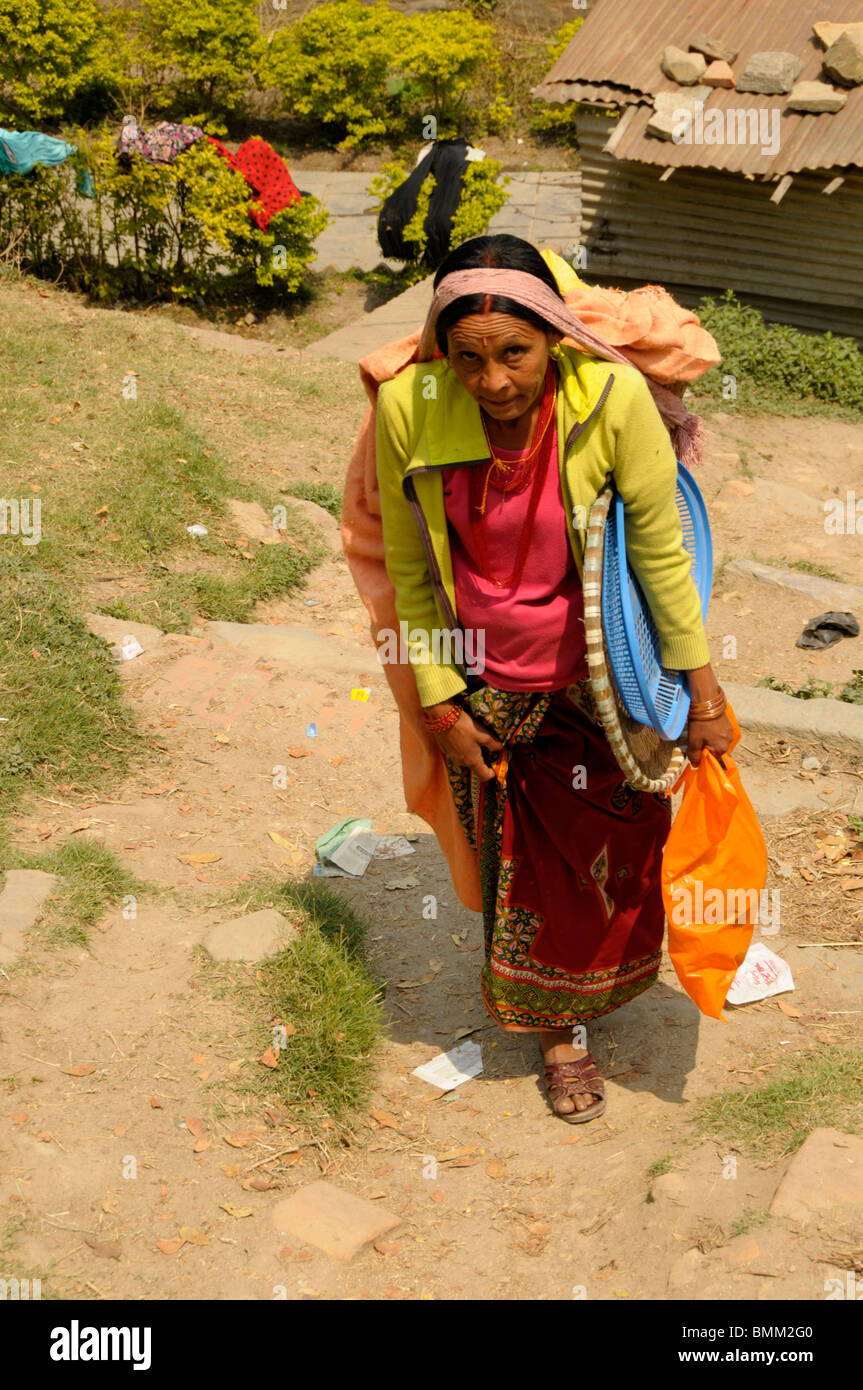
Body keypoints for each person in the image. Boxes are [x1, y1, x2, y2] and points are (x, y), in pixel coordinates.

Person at [371, 233, 733, 1122]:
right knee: (527, 871)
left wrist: (700, 688)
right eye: (467, 358)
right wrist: (437, 698)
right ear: (441, 353)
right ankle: (560, 1033)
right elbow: (411, 565)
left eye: (513, 354)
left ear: (553, 336)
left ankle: (603, 984)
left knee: (622, 846)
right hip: (488, 683)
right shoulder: (410, 409)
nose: (492, 381)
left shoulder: (605, 398)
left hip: (604, 684)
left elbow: (656, 547)